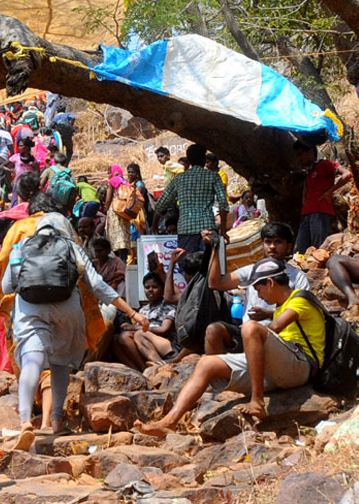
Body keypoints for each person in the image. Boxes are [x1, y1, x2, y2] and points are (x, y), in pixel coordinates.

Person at [1, 212, 148, 446]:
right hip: (67, 310)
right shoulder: (71, 247)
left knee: (32, 360)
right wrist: (132, 312)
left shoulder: (21, 247)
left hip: (30, 309)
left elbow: (8, 285)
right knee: (60, 363)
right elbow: (98, 285)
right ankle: (57, 421)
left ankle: (25, 421)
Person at [137, 258, 322, 435]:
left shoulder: (301, 299)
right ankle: (169, 422)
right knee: (207, 363)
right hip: (278, 367)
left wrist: (258, 326)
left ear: (271, 283)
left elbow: (274, 328)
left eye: (259, 289)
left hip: (301, 366)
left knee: (250, 327)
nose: (259, 296)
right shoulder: (281, 305)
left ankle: (257, 401)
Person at [204, 222, 309, 353]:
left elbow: (302, 313)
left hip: (281, 337)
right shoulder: (252, 271)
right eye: (268, 242)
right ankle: (219, 371)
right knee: (214, 330)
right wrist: (215, 248)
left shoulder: (297, 277)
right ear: (262, 245)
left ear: (289, 247)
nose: (272, 247)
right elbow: (215, 283)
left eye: (278, 242)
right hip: (246, 333)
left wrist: (269, 314)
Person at [151, 144, 229, 255]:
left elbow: (161, 204)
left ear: (189, 160)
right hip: (208, 229)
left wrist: (154, 225)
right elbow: (223, 204)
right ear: (203, 160)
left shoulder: (179, 178)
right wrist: (224, 230)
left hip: (185, 231)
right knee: (210, 268)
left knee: (188, 268)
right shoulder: (213, 176)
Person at [111, 272, 178, 371]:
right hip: (143, 342)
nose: (150, 290)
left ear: (162, 289)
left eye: (154, 287)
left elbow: (164, 329)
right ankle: (138, 369)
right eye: (147, 287)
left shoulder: (168, 306)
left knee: (134, 335)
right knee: (116, 340)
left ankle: (156, 367)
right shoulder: (144, 310)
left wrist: (134, 327)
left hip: (163, 343)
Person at [295, 142, 351, 253]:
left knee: (319, 248)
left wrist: (330, 192)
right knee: (300, 249)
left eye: (301, 154)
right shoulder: (309, 172)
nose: (299, 158)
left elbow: (347, 174)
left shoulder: (325, 164)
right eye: (297, 155)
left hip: (319, 211)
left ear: (311, 152)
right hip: (306, 213)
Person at [102, 165, 134, 262]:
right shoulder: (125, 182)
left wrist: (106, 208)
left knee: (114, 236)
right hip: (124, 212)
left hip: (115, 211)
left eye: (108, 172)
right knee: (123, 236)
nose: (108, 175)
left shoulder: (112, 181)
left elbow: (108, 200)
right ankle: (123, 260)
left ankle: (117, 262)